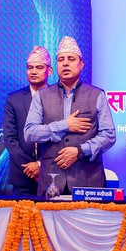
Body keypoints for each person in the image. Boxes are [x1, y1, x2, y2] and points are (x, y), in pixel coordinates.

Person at [24, 36, 116, 196]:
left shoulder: (96, 94)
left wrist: (80, 150)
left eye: (71, 59)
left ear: (81, 64)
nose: (65, 63)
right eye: (61, 60)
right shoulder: (42, 96)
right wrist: (64, 125)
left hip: (88, 180)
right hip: (51, 181)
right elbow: (30, 133)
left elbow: (109, 135)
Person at [4, 46, 52, 196]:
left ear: (49, 71)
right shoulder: (14, 99)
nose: (33, 71)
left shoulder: (58, 97)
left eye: (39, 67)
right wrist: (30, 167)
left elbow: (62, 138)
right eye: (30, 68)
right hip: (22, 175)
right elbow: (10, 139)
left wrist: (41, 165)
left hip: (52, 175)